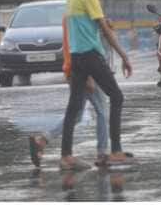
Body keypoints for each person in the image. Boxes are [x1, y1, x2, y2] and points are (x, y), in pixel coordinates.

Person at [60, 0, 133, 171]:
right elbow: (106, 32)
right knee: (117, 97)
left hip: (76, 57)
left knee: (73, 107)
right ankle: (116, 151)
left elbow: (84, 25)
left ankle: (66, 156)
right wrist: (124, 56)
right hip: (91, 56)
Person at [28, 15, 109, 168]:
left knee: (76, 115)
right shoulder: (78, 15)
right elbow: (81, 46)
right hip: (85, 70)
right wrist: (90, 75)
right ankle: (103, 154)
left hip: (75, 70)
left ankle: (42, 140)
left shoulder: (69, 15)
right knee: (102, 111)